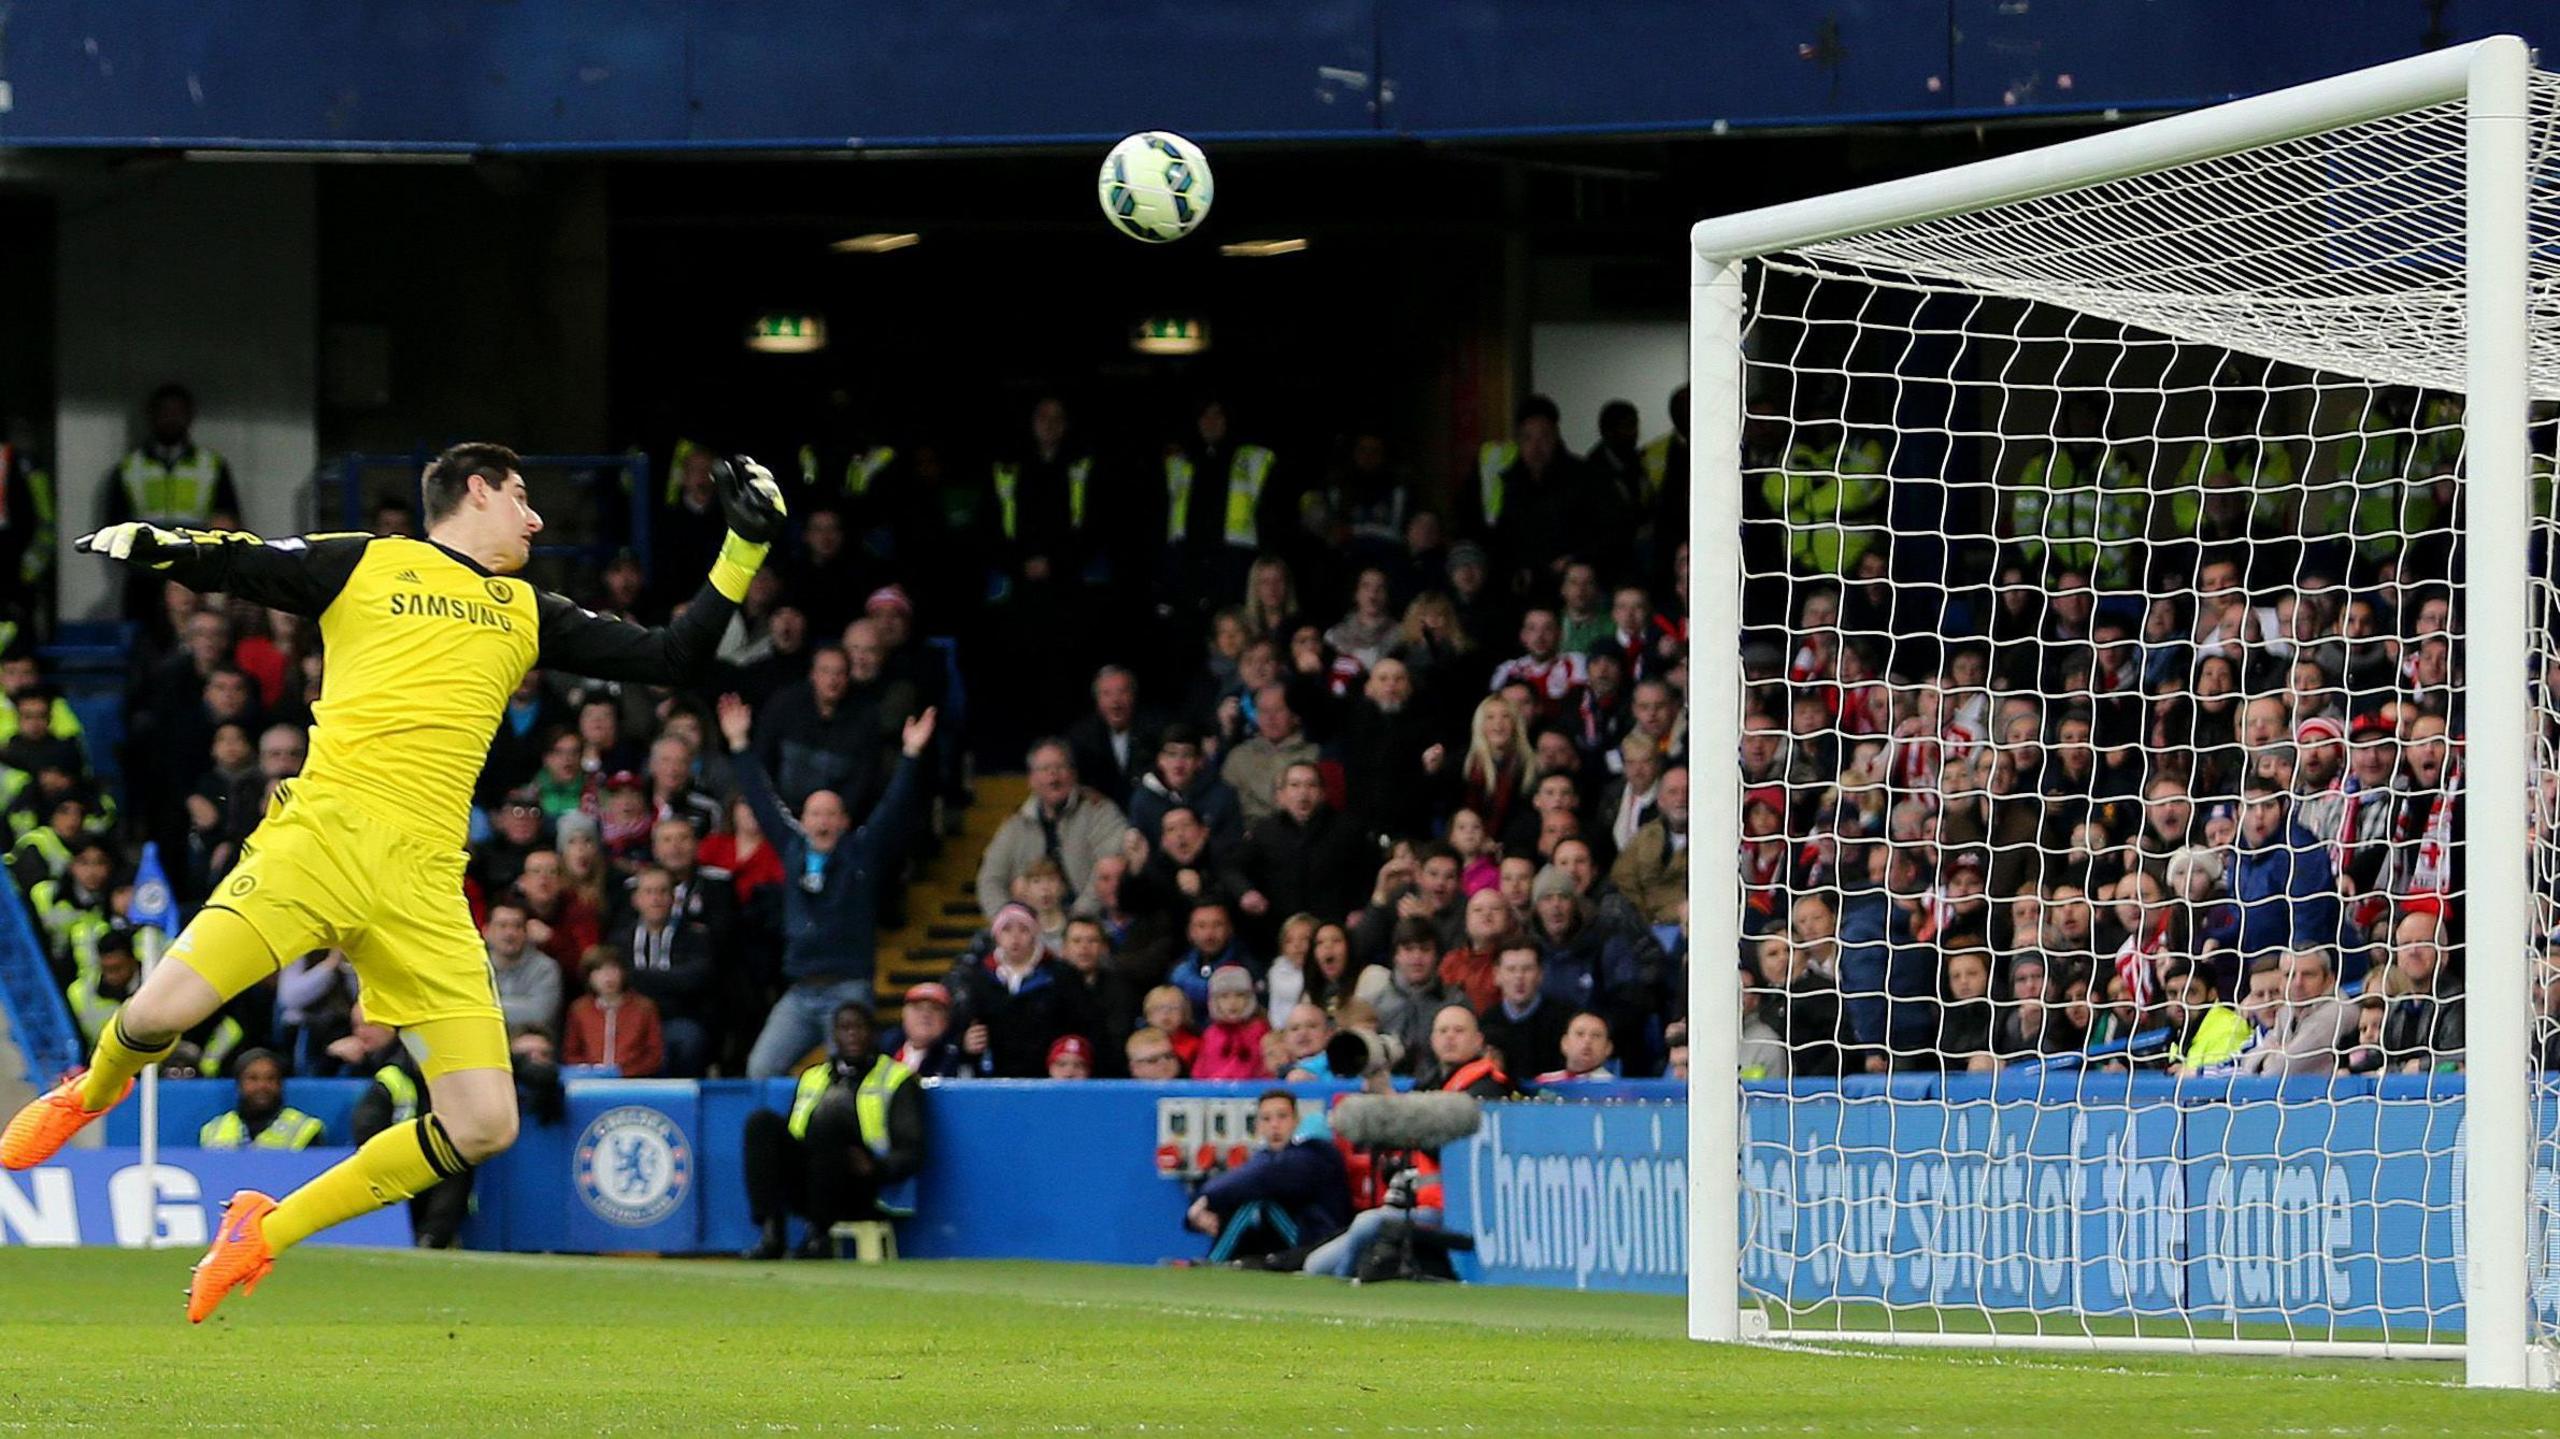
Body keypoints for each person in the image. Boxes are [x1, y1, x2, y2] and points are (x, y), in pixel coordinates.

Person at [2, 441, 789, 1322]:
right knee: (150, 1015)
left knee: (487, 1123)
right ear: (477, 490)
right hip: (321, 844)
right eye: (522, 497)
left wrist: (744, 545)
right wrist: (164, 546)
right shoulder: (370, 560)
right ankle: (91, 1090)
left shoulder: (528, 609)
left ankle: (264, 1227)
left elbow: (675, 655)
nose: (535, 519)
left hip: (423, 886)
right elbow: (252, 562)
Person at [722, 693, 935, 1079]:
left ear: (844, 821)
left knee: (850, 1076)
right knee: (760, 1068)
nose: (822, 820)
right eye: (814, 813)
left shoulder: (862, 853)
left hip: (848, 989)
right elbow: (762, 798)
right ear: (802, 819)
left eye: (831, 813)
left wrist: (911, 754)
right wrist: (739, 744)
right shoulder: (791, 847)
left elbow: (894, 806)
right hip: (801, 992)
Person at [741, 1003, 924, 1260]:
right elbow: (795, 1134)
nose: (852, 1035)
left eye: (859, 1027)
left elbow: (912, 1151)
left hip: (864, 1186)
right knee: (761, 1123)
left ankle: (819, 1235)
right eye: (844, 1028)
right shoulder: (813, 1077)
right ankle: (772, 1234)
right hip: (812, 1181)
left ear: (874, 1034)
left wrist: (876, 1167)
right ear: (834, 1036)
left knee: (830, 1117)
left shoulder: (896, 1078)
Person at [1183, 1090, 1350, 1266]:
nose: (1275, 1125)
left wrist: (1203, 1201)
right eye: (1266, 1119)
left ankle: (1214, 1263)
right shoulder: (1265, 1156)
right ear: (1258, 1126)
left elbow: (1259, 1179)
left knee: (1256, 1201)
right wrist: (1198, 1212)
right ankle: (1230, 1263)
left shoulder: (1314, 1152)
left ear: (1296, 1121)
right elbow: (1237, 1182)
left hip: (1320, 1244)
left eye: (1282, 1117)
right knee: (1241, 1196)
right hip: (1283, 1241)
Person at [944, 902, 1102, 1079]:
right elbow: (962, 1027)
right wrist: (966, 1043)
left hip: (1049, 1079)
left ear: (1035, 934)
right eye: (1007, 930)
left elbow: (1084, 1026)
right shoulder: (978, 977)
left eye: (1023, 929)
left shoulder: (1062, 975)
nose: (1015, 937)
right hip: (995, 1080)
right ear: (996, 935)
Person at [975, 740, 1132, 914]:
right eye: (1044, 769)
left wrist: (1076, 921)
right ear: (1031, 780)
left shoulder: (1099, 812)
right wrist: (1009, 922)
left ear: (1074, 774)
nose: (1053, 776)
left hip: (1092, 924)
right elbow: (990, 880)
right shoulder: (1016, 823)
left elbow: (1110, 870)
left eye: (1060, 768)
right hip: (1031, 931)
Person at [560, 946, 665, 1077]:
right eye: (599, 970)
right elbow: (571, 1053)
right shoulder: (579, 1009)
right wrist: (591, 1072)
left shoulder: (644, 1007)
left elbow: (654, 1055)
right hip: (590, 1082)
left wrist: (622, 1073)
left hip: (634, 1082)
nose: (607, 977)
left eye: (613, 969)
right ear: (589, 977)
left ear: (623, 973)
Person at [196, 1050, 323, 1150]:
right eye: (253, 1078)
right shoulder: (212, 1129)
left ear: (280, 1085)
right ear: (239, 1084)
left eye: (270, 1078)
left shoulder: (305, 1128)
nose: (262, 1086)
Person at [481, 896, 562, 1037]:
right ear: (486, 932)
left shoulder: (545, 968)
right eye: (502, 925)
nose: (510, 933)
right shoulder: (475, 967)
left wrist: (488, 1005)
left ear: (526, 933)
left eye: (517, 926)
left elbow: (540, 1014)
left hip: (531, 1047)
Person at [880, 982, 968, 1080]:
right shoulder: (884, 1048)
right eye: (918, 1008)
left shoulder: (956, 1058)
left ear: (947, 1019)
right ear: (904, 1014)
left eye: (935, 1009)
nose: (925, 1015)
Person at [1535, 1011, 1618, 1085]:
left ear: (1608, 1048)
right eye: (1580, 1034)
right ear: (1565, 1043)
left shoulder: (1615, 1087)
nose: (1587, 1040)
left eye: (1596, 1036)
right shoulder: (1544, 1083)